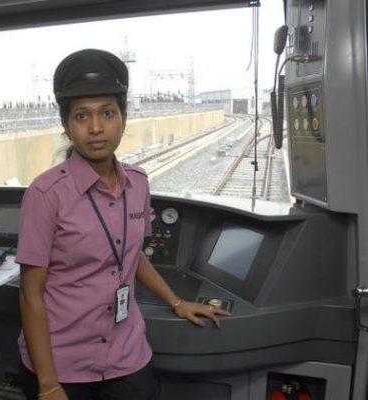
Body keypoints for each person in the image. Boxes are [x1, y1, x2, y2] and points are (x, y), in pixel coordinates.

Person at [16, 49, 230, 400]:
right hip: (62, 363)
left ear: (124, 118)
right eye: (82, 115)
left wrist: (176, 302)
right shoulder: (46, 194)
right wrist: (48, 383)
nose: (96, 127)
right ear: (66, 125)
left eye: (107, 113)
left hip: (126, 355)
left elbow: (133, 256)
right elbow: (30, 294)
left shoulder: (138, 183)